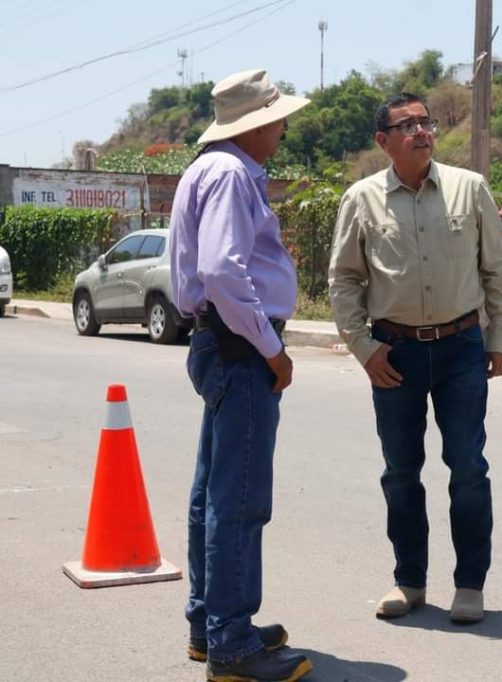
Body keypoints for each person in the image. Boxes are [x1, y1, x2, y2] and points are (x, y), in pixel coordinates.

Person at [328, 92, 502, 624]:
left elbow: (495, 272)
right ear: (383, 141)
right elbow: (344, 281)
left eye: (425, 122)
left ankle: (470, 585)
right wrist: (364, 349)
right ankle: (409, 581)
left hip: (461, 349)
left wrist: (498, 338)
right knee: (401, 472)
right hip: (395, 354)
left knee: (469, 469)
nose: (420, 131)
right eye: (405, 125)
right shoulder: (361, 199)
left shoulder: (469, 188)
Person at [169, 68, 312, 682]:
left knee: (213, 493)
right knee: (239, 500)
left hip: (219, 344)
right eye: (277, 118)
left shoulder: (208, 169)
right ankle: (231, 643)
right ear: (253, 125)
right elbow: (225, 273)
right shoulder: (230, 174)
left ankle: (213, 624)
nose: (282, 128)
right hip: (239, 349)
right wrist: (271, 347)